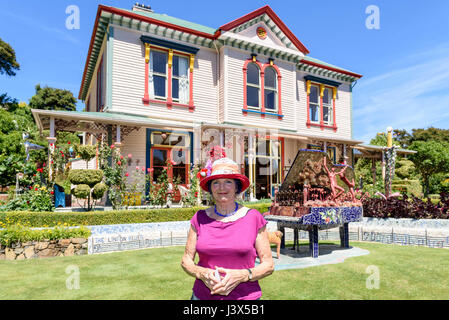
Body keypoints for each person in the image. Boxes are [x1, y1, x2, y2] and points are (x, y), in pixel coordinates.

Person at [181, 157, 274, 300]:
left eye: (228, 182)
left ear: (237, 187)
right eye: (216, 182)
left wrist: (243, 275)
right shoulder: (199, 218)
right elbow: (186, 260)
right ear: (211, 188)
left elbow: (268, 264)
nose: (222, 188)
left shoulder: (253, 218)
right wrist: (201, 273)